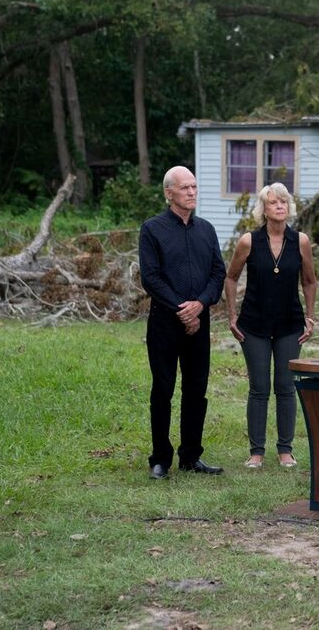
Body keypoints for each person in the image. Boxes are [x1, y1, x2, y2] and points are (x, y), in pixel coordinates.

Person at [138, 166, 227, 479]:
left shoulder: (206, 230)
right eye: (185, 188)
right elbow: (151, 277)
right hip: (164, 323)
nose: (192, 192)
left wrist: (200, 304)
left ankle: (191, 456)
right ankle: (160, 458)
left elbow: (219, 272)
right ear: (168, 193)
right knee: (163, 390)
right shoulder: (152, 229)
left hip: (199, 325)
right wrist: (182, 309)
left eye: (194, 187)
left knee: (196, 389)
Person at [224, 183, 317, 469]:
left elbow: (310, 281)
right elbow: (231, 278)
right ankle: (257, 452)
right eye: (274, 202)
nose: (280, 206)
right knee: (259, 388)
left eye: (284, 202)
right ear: (263, 209)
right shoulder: (249, 241)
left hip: (290, 323)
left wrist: (310, 317)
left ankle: (285, 450)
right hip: (254, 325)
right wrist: (231, 316)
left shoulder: (300, 241)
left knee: (286, 387)